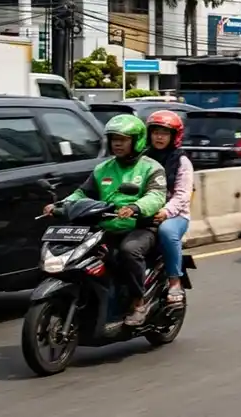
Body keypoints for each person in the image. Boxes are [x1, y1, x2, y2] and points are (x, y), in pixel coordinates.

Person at [44, 114, 167, 325]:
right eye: (113, 139)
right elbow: (82, 194)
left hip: (140, 227)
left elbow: (156, 196)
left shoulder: (151, 167)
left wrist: (135, 207)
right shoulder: (103, 169)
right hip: (105, 227)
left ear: (136, 140)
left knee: (129, 251)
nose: (117, 143)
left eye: (123, 139)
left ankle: (139, 302)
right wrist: (59, 206)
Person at [145, 110, 194, 305]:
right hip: (145, 211)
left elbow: (182, 195)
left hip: (176, 216)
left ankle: (174, 280)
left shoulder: (181, 162)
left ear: (173, 136)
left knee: (166, 232)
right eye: (155, 132)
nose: (159, 137)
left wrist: (166, 212)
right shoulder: (142, 158)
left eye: (164, 133)